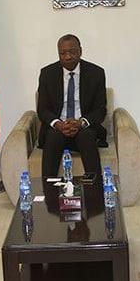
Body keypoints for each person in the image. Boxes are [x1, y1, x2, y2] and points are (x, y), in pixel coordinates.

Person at [37, 34, 107, 178]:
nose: (68, 57)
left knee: (86, 137)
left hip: (84, 127)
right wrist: (59, 124)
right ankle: (49, 187)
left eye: (72, 52)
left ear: (80, 51)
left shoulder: (96, 73)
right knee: (53, 137)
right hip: (58, 128)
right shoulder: (47, 73)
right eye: (63, 53)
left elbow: (100, 110)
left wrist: (81, 123)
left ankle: (94, 187)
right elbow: (43, 109)